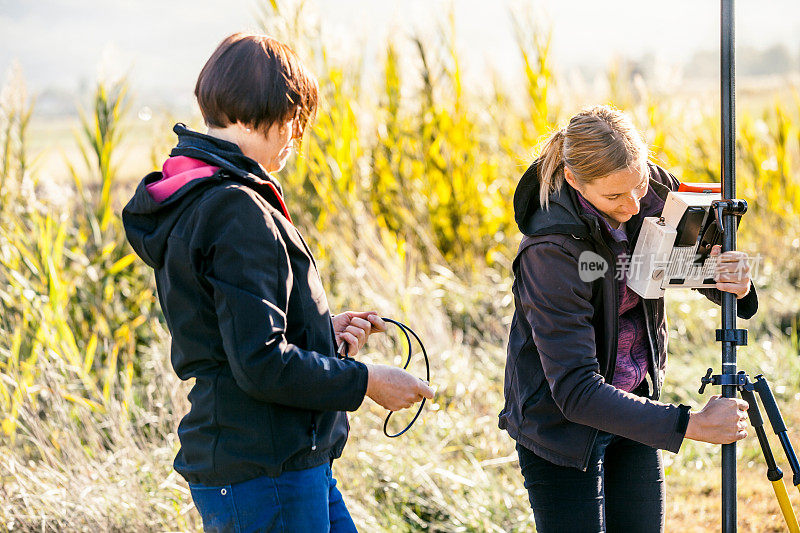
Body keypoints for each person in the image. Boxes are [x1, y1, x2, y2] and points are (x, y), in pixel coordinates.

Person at [122, 32, 433, 532]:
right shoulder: (236, 210)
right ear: (275, 113)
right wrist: (369, 381)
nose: (297, 138)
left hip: (279, 461)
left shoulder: (198, 192)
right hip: (265, 473)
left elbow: (235, 335)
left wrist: (321, 331)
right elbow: (261, 363)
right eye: (297, 122)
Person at [498, 105, 758, 532]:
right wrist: (689, 424)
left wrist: (733, 282)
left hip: (635, 405)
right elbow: (577, 391)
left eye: (637, 186)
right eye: (614, 197)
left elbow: (682, 267)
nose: (633, 205)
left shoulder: (654, 190)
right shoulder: (551, 252)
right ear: (573, 181)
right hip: (561, 430)